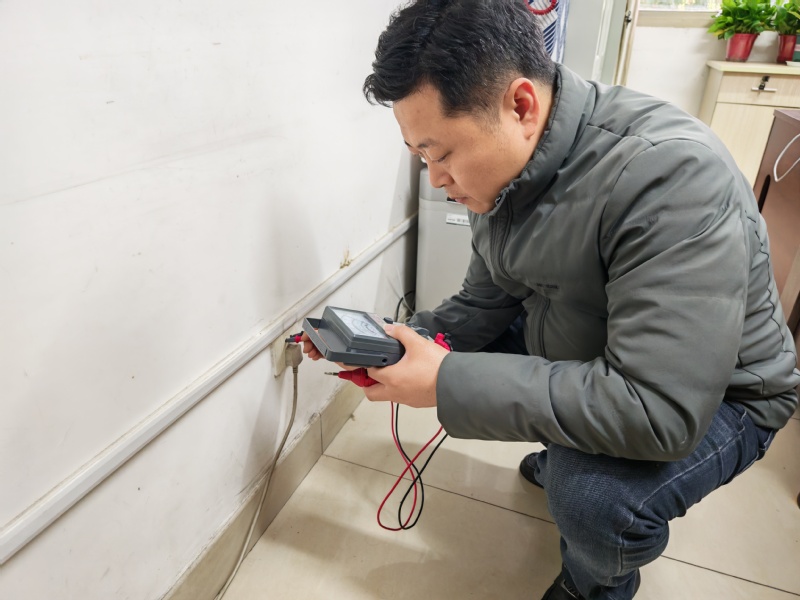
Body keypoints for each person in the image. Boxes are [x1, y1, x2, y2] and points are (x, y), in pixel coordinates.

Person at [303, 0, 800, 598]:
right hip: (602, 343)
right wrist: (397, 343)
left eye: (443, 153)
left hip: (721, 395)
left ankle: (596, 583)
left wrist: (446, 381)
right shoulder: (504, 173)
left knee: (590, 495)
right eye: (421, 157)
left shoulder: (671, 176)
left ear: (520, 105)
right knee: (488, 368)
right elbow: (484, 307)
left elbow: (660, 411)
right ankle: (572, 447)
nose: (436, 178)